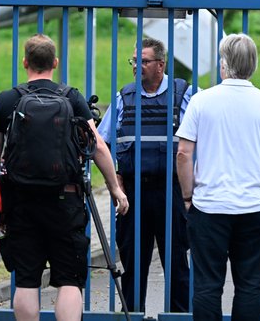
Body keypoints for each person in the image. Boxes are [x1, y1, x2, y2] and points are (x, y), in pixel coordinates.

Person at [0, 34, 129, 321]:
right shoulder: (72, 98)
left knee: (26, 280)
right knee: (69, 279)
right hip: (66, 201)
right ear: (55, 62)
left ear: (25, 62)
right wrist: (115, 188)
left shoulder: (6, 100)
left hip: (22, 202)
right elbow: (98, 145)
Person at [175, 33, 260, 321]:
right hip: (254, 207)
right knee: (250, 287)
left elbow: (184, 154)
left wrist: (188, 197)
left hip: (210, 207)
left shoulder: (202, 101)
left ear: (223, 64)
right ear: (252, 64)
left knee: (207, 287)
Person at [97, 37, 193, 313]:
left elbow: (198, 139)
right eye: (134, 61)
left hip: (171, 191)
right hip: (134, 193)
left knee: (176, 263)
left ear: (161, 65)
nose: (136, 66)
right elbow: (101, 141)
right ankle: (133, 315)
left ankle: (179, 317)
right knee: (133, 262)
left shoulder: (182, 94)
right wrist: (114, 182)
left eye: (144, 61)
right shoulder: (124, 97)